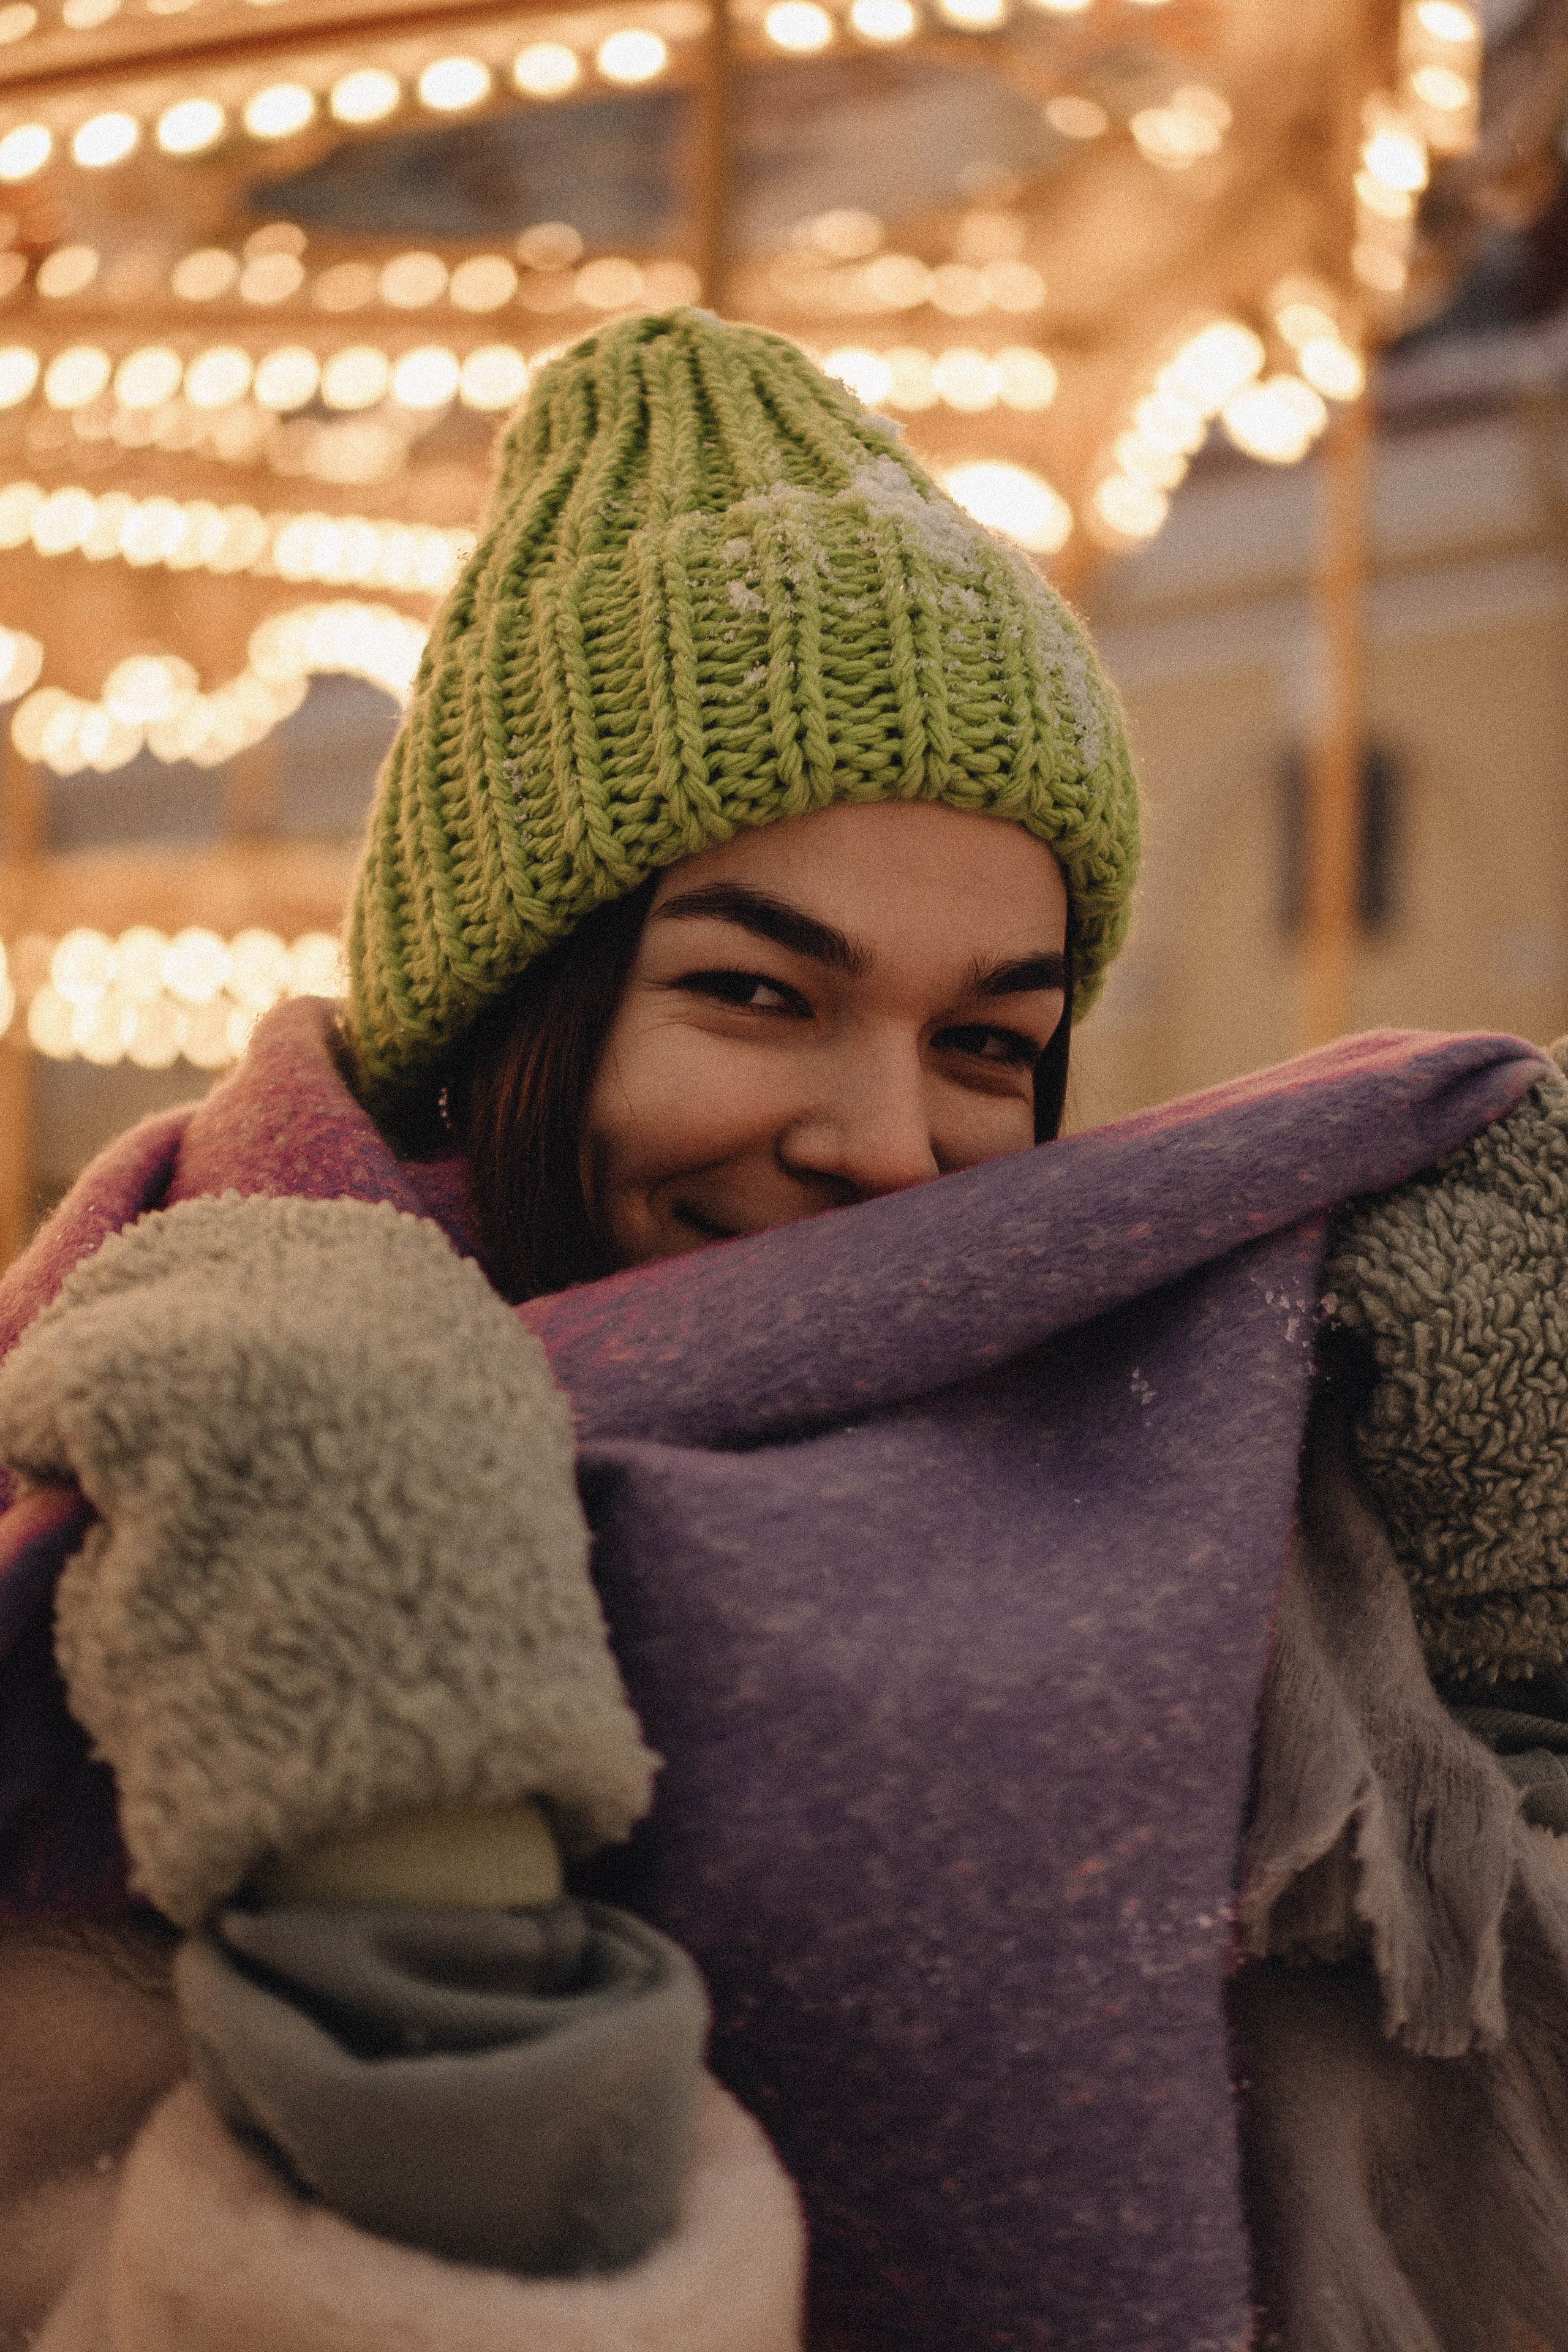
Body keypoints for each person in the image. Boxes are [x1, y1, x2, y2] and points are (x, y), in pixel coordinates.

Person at [1, 307, 1567, 2352]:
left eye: (991, 1041)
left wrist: (1512, 1618)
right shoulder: (188, 1446)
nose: (889, 1145)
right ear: (508, 1003)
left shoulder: (1163, 1484)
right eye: (758, 991)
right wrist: (411, 1860)